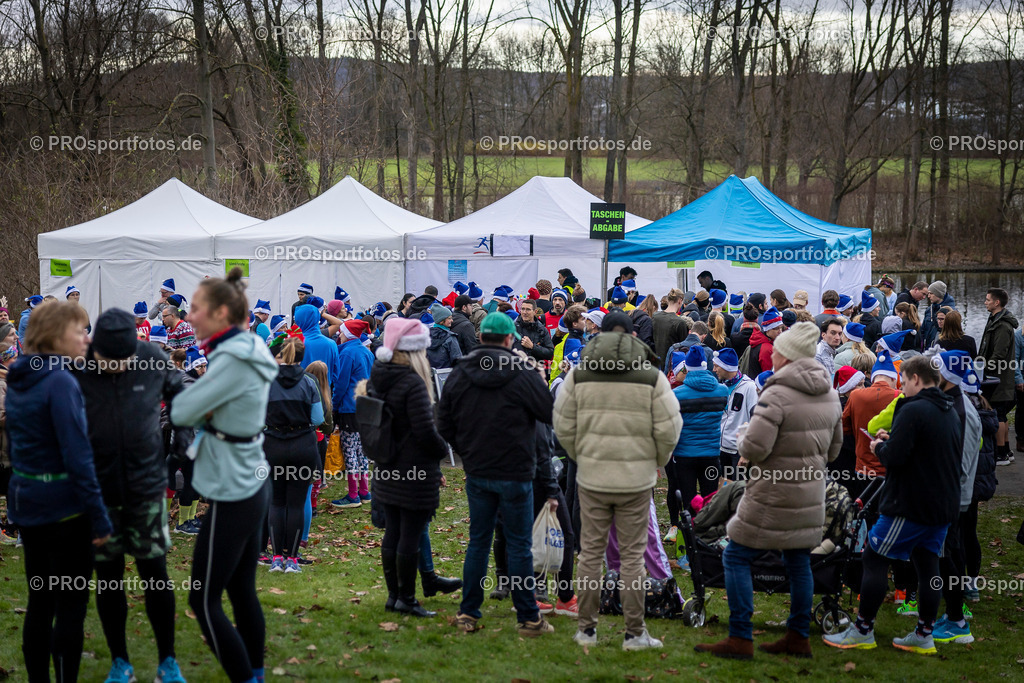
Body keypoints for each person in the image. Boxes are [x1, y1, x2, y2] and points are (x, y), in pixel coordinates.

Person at [696, 322, 842, 660]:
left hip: (771, 493)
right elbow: (833, 451)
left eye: (777, 349)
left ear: (788, 356)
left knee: (735, 557)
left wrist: (746, 434)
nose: (771, 354)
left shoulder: (776, 393)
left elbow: (757, 447)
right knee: (799, 562)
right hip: (809, 493)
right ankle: (798, 635)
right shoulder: (830, 394)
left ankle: (740, 636)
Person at [170, 268, 278, 683]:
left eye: (195, 309)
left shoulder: (231, 358)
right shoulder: (248, 345)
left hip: (236, 488)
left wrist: (184, 386)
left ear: (219, 312)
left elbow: (181, 412)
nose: (188, 316)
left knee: (202, 598)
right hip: (251, 478)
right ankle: (255, 674)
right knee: (240, 589)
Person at [70, 309, 188, 683]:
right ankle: (120, 661)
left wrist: (182, 430)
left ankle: (167, 661)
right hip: (99, 492)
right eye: (109, 362)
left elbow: (182, 384)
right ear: (95, 349)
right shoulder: (78, 368)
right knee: (108, 578)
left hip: (146, 488)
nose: (117, 367)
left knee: (155, 574)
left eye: (124, 361)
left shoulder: (151, 357)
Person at [555, 310, 681, 650]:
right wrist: (656, 460)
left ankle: (587, 629)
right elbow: (670, 427)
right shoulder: (651, 376)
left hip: (593, 476)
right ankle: (634, 632)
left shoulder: (580, 374)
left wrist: (581, 454)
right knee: (632, 556)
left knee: (590, 554)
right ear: (632, 336)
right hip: (635, 480)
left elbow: (563, 423)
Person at [824, 355, 961, 656]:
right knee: (928, 566)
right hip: (942, 504)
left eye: (904, 383)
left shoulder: (913, 409)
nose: (902, 389)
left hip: (911, 503)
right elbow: (926, 450)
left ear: (914, 379)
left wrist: (878, 445)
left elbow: (894, 458)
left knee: (874, 557)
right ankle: (924, 633)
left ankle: (862, 629)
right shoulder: (948, 409)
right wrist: (893, 440)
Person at [6, 301, 112, 683]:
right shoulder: (60, 381)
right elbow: (78, 456)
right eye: (79, 330)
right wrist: (100, 518)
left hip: (29, 503)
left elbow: (15, 446)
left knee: (40, 601)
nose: (86, 337)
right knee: (69, 606)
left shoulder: (20, 374)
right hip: (66, 511)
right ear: (55, 334)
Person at [438, 312, 555, 636]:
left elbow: (443, 422)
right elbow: (548, 413)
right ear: (509, 340)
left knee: (479, 541)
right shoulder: (523, 371)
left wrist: (467, 449)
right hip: (515, 469)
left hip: (480, 468)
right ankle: (529, 618)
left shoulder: (461, 372)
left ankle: (469, 612)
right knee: (518, 545)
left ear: (480, 337)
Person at [362, 317, 451, 616]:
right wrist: (443, 450)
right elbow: (425, 431)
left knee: (393, 532)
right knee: (410, 534)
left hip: (387, 466)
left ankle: (393, 596)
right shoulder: (412, 383)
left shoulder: (379, 376)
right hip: (413, 470)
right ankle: (407, 599)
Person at [931, 350, 981, 645]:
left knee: (947, 555)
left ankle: (957, 621)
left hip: (952, 497)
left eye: (936, 372)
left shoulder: (964, 413)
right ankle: (952, 614)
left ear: (947, 377)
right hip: (949, 494)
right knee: (949, 552)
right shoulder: (953, 404)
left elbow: (959, 466)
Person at [264, 335, 323, 574]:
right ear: (301, 357)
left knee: (277, 502)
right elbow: (318, 418)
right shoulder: (309, 381)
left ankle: (277, 557)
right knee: (297, 504)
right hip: (302, 445)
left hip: (273, 445)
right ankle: (293, 559)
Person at [669, 346, 729, 535]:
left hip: (685, 455)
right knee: (710, 498)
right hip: (711, 454)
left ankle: (689, 540)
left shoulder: (677, 395)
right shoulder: (722, 391)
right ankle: (708, 537)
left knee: (688, 500)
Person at [841, 350, 900, 500]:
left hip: (863, 467)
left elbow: (844, 428)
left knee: (863, 513)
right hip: (890, 469)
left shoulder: (855, 395)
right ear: (893, 378)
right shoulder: (900, 397)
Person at [330, 318, 374, 508]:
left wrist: (333, 405)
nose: (338, 335)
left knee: (349, 451)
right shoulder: (366, 352)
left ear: (347, 334)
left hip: (349, 408)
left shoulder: (347, 353)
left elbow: (341, 383)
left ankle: (353, 494)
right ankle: (364, 491)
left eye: (341, 332)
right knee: (361, 451)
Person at [978, 288, 1019, 466]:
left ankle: (1001, 453)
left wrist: (983, 369)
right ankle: (1007, 451)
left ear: (997, 303)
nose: (985, 302)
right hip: (996, 376)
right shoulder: (994, 320)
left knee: (999, 415)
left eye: (988, 300)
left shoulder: (1002, 325)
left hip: (999, 377)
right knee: (1000, 413)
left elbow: (999, 354)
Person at [713, 347, 758, 480]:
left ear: (726, 367)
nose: (714, 369)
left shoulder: (749, 387)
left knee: (739, 492)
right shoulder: (721, 387)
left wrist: (747, 452)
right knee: (724, 490)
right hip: (721, 449)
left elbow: (755, 420)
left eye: (716, 366)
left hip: (739, 452)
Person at [652, 288, 691, 363]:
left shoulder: (655, 316)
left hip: (656, 362)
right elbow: (684, 348)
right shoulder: (679, 322)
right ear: (680, 301)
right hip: (672, 364)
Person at [743, 306, 783, 377]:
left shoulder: (759, 341)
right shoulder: (767, 349)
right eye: (776, 328)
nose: (780, 331)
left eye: (781, 327)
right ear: (768, 329)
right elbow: (769, 375)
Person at [515, 299, 554, 366]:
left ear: (535, 312)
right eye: (523, 309)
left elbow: (550, 353)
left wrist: (533, 346)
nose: (524, 312)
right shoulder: (513, 328)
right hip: (516, 369)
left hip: (535, 370)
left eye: (528, 309)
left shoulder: (541, 329)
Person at [426, 305, 464, 369]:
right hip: (447, 375)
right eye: (449, 318)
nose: (452, 320)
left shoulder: (426, 336)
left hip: (430, 375)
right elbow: (458, 360)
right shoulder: (450, 337)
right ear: (441, 321)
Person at [920, 281, 956, 349]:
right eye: (928, 293)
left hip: (943, 350)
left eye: (931, 293)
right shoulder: (929, 310)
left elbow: (955, 333)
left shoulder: (951, 312)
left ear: (939, 294)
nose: (928, 296)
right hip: (928, 350)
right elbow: (923, 331)